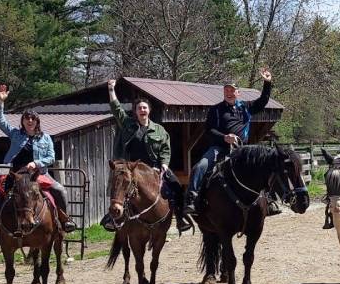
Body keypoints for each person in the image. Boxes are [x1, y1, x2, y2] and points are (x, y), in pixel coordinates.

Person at [0, 84, 77, 245]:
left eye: (32, 118)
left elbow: (51, 157)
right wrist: (1, 102)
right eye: (26, 118)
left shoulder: (46, 138)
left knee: (60, 190)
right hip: (15, 175)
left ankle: (65, 220)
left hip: (38, 175)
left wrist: (36, 163)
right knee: (0, 197)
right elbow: (0, 120)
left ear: (37, 122)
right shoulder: (15, 134)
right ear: (22, 121)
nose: (29, 120)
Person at [105, 79, 192, 233]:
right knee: (118, 185)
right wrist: (111, 90)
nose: (142, 110)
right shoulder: (128, 124)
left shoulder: (159, 130)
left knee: (176, 186)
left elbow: (166, 149)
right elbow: (116, 109)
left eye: (145, 108)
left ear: (149, 111)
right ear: (135, 111)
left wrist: (164, 164)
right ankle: (111, 218)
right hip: (132, 168)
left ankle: (180, 218)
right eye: (139, 108)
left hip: (154, 167)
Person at [186, 69, 274, 215]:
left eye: (232, 90)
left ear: (238, 93)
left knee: (264, 166)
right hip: (218, 148)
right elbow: (209, 130)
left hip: (241, 149)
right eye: (226, 90)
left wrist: (267, 82)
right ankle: (191, 200)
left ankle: (269, 201)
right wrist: (224, 137)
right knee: (200, 166)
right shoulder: (216, 110)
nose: (228, 92)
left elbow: (263, 100)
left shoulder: (246, 107)